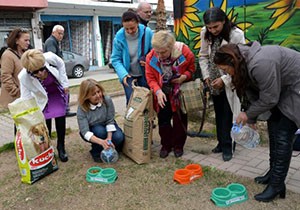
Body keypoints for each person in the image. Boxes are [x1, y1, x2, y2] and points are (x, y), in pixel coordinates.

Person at [213, 41, 300, 202]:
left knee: (282, 136)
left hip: (295, 88)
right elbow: (252, 92)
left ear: (233, 62)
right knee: (273, 131)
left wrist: (247, 115)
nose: (227, 74)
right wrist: (251, 117)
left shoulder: (261, 63)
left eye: (226, 70)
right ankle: (273, 174)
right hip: (281, 90)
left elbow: (270, 98)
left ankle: (277, 184)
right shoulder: (243, 64)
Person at [198, 7, 245, 161]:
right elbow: (203, 56)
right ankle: (221, 142)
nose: (213, 30)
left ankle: (227, 147)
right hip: (212, 80)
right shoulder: (205, 32)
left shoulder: (236, 35)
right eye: (210, 27)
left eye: (216, 27)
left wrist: (224, 80)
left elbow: (241, 63)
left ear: (224, 21)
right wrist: (206, 77)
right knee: (219, 113)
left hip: (228, 80)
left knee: (227, 114)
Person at [145, 30, 195, 158]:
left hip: (179, 92)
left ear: (171, 47)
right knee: (163, 120)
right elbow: (150, 78)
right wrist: (157, 91)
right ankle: (166, 145)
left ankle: (178, 145)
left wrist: (184, 77)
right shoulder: (151, 57)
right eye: (157, 51)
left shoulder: (184, 52)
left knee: (180, 120)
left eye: (163, 52)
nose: (160, 55)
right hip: (162, 93)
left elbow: (192, 69)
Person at [19, 49, 70, 162]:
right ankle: (48, 148)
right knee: (45, 124)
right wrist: (31, 114)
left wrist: (65, 83)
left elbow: (61, 64)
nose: (41, 73)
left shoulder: (49, 57)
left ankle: (61, 147)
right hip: (42, 97)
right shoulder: (23, 77)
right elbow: (26, 98)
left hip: (55, 90)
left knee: (60, 118)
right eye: (36, 72)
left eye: (42, 69)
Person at [111, 10, 153, 105]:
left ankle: (148, 119)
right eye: (127, 29)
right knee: (131, 101)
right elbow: (115, 59)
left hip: (145, 73)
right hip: (128, 75)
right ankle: (132, 120)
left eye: (132, 28)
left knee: (147, 101)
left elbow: (154, 52)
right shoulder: (119, 37)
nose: (130, 31)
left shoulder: (148, 33)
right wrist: (123, 74)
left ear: (138, 23)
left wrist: (148, 61)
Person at [77, 79, 124, 163]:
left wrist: (109, 140)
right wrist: (102, 142)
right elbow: (85, 132)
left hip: (106, 124)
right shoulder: (82, 108)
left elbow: (110, 120)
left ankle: (111, 147)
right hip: (93, 129)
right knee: (100, 131)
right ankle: (96, 152)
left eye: (99, 92)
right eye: (93, 94)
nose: (98, 95)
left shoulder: (107, 100)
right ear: (86, 96)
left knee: (119, 137)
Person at [44, 24, 76, 118]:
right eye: (59, 33)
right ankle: (64, 110)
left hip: (55, 71)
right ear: (53, 32)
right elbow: (52, 57)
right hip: (54, 72)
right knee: (64, 90)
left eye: (62, 34)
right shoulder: (51, 42)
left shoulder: (54, 41)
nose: (61, 36)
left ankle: (64, 109)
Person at [0, 28, 30, 109]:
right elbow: (5, 77)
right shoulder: (8, 55)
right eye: (25, 40)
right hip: (16, 99)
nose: (28, 43)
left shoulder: (24, 53)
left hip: (26, 96)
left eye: (29, 40)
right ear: (16, 41)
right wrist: (16, 92)